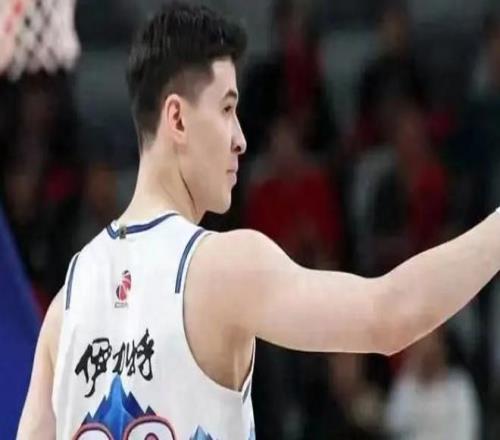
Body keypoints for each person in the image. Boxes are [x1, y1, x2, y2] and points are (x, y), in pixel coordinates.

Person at [17, 2, 500, 439]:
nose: (241, 138)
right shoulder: (222, 267)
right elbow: (391, 316)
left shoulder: (66, 305)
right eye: (227, 109)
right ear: (177, 119)